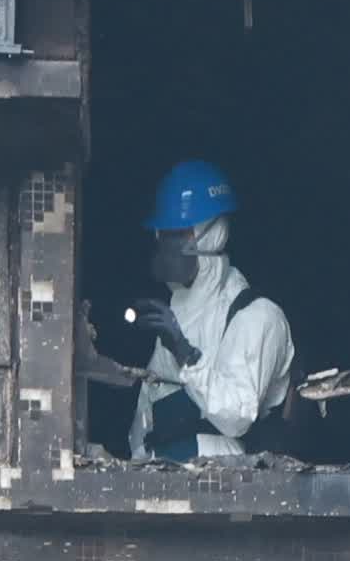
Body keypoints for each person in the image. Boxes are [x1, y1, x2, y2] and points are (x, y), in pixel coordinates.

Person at [126, 161, 295, 461]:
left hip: (237, 487)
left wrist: (185, 354)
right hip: (166, 473)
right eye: (162, 234)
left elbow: (236, 417)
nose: (166, 245)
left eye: (177, 233)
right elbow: (148, 414)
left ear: (212, 234)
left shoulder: (257, 317)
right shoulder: (177, 314)